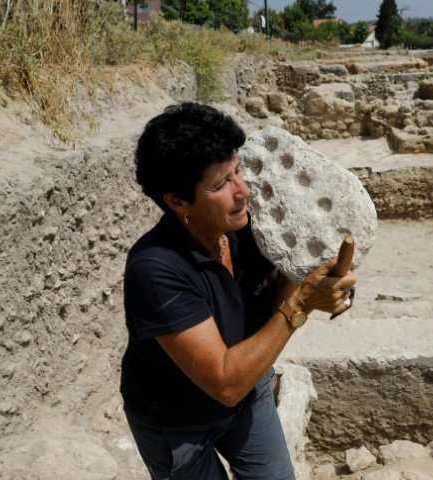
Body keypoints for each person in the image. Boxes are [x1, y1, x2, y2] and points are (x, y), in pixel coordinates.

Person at [120, 102, 356, 480]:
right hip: (178, 421)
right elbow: (225, 383)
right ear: (177, 201)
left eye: (238, 171)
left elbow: (287, 282)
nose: (243, 191)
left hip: (249, 388)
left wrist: (321, 277)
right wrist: (300, 304)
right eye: (220, 185)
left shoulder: (252, 226)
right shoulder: (156, 270)